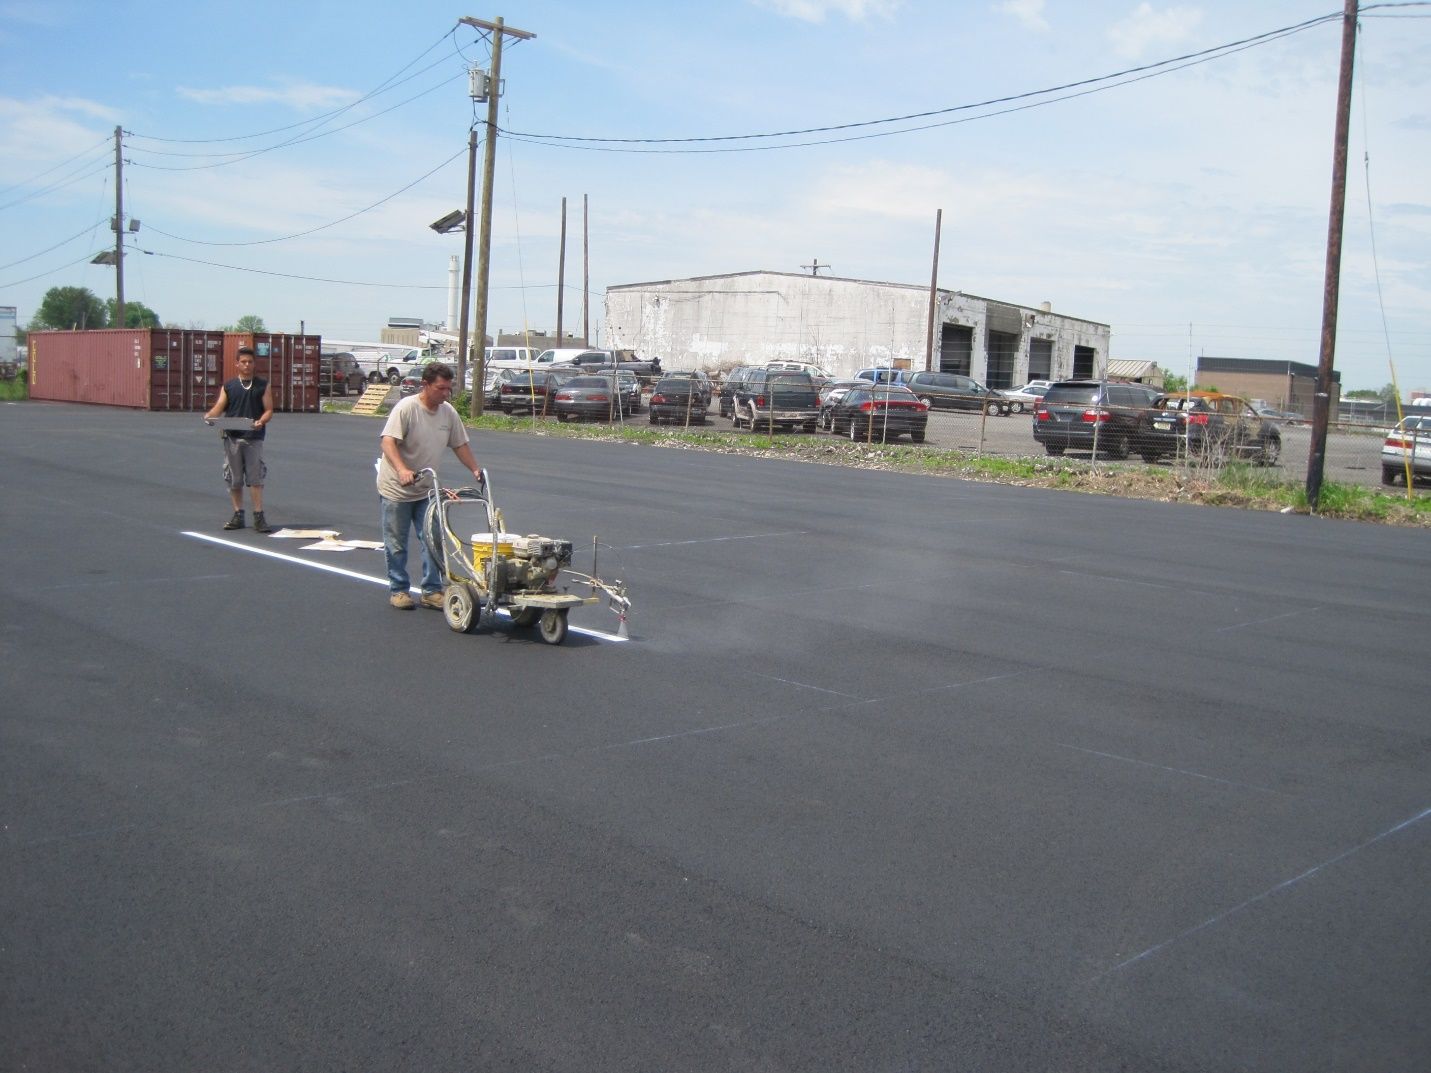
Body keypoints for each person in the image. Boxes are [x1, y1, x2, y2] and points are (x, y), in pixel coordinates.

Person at [377, 362, 482, 610]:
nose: (446, 394)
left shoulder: (448, 413)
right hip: (397, 488)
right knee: (397, 542)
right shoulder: (406, 408)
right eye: (441, 388)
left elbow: (460, 444)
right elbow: (388, 442)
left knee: (433, 540)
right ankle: (399, 590)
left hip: (426, 488)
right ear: (425, 385)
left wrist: (475, 469)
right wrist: (403, 470)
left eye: (449, 389)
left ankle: (431, 590)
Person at [205, 345, 275, 533]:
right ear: (237, 364)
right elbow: (219, 406)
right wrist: (210, 416)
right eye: (243, 362)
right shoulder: (229, 386)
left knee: (255, 478)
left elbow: (269, 410)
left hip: (254, 438)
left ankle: (259, 516)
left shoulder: (262, 385)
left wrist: (261, 421)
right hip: (232, 438)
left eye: (250, 362)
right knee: (234, 479)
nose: (247, 365)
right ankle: (238, 514)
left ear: (254, 364)